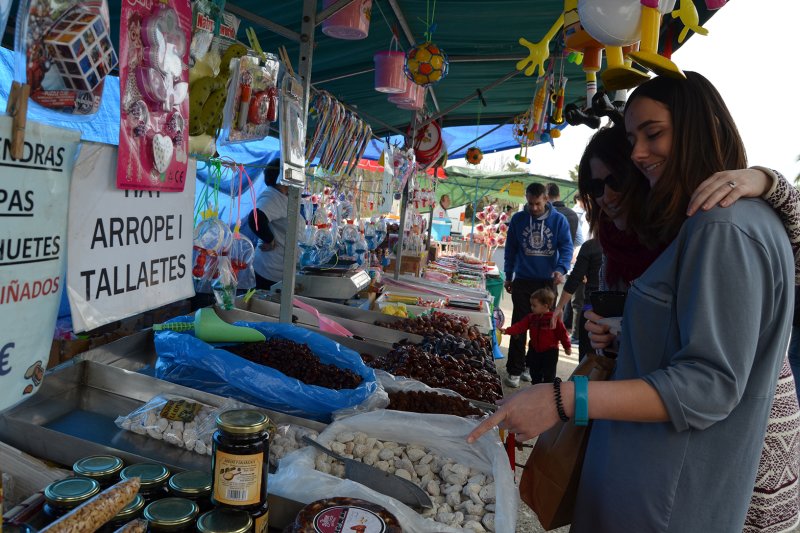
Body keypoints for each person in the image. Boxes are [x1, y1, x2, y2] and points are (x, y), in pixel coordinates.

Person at [469, 72, 795, 532]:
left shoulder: (724, 227)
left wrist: (564, 398)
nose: (639, 153)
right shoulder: (717, 223)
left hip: (663, 493)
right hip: (649, 482)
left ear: (700, 126)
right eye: (632, 139)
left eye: (654, 133)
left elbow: (710, 384)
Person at [503, 182, 573, 387]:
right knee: (520, 324)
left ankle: (529, 366)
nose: (533, 208)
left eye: (538, 204)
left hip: (547, 282)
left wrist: (561, 269)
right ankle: (514, 370)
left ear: (546, 199)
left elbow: (566, 247)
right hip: (523, 280)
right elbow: (511, 249)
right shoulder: (518, 219)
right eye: (530, 203)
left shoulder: (559, 221)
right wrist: (508, 275)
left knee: (543, 328)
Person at [247, 159, 301, 290]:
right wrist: (269, 239)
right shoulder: (272, 196)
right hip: (271, 271)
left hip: (279, 270)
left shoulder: (282, 196)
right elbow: (256, 218)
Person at [502, 287, 571, 384]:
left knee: (549, 374)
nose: (531, 308)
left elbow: (562, 334)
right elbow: (520, 326)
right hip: (534, 350)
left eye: (534, 306)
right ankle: (536, 388)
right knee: (534, 372)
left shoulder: (553, 319)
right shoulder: (531, 318)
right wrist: (507, 331)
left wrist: (567, 346)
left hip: (550, 352)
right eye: (531, 305)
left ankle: (547, 391)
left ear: (545, 306)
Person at [552, 237, 602, 361]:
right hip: (620, 313)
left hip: (591, 309)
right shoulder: (633, 245)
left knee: (587, 361)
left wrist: (559, 306)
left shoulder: (592, 245)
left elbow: (575, 277)